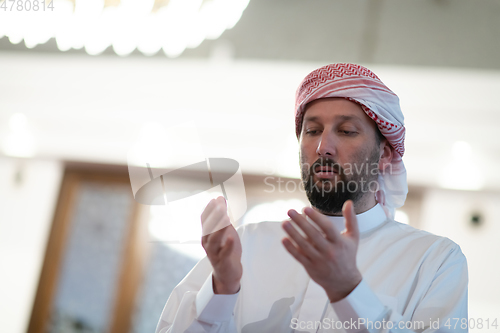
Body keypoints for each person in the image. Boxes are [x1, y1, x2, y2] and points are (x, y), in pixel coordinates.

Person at [155, 63, 468, 333]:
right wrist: (222, 288)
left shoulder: (434, 260)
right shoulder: (246, 245)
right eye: (313, 130)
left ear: (384, 154)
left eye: (346, 131)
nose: (323, 147)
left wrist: (349, 290)